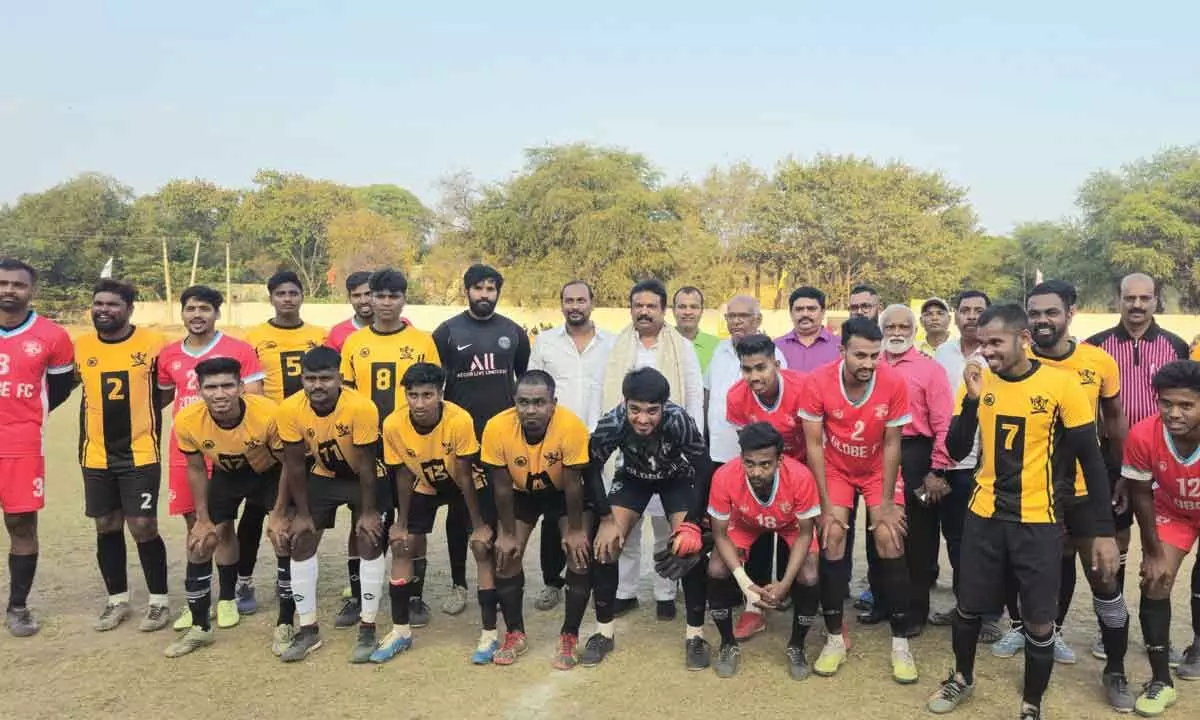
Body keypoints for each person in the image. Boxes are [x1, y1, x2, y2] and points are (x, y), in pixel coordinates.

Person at [927, 303, 1119, 720]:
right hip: (984, 516)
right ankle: (961, 677)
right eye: (981, 342)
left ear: (1024, 340)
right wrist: (972, 403)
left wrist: (1103, 530)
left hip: (1039, 521)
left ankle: (1032, 703)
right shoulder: (979, 380)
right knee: (968, 607)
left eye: (995, 342)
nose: (986, 350)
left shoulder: (1061, 386)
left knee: (1037, 621)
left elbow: (1091, 459)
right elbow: (957, 449)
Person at [799, 317, 916, 683]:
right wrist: (822, 505)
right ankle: (834, 638)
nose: (868, 363)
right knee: (832, 537)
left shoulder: (894, 382)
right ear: (842, 350)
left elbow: (894, 442)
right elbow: (814, 445)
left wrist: (884, 503)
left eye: (874, 356)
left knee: (888, 536)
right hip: (835, 468)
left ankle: (900, 643)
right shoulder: (818, 381)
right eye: (860, 355)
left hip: (878, 468)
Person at [1086, 272, 1193, 667]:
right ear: (1119, 299)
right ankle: (1111, 624)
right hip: (1113, 461)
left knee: (1155, 542)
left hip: (1162, 463)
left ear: (1155, 300)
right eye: (1129, 297)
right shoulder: (1096, 346)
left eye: (1144, 298)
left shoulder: (1176, 345)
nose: (1136, 305)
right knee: (1116, 542)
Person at [582, 367, 713, 669]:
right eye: (635, 410)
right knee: (606, 544)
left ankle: (695, 636)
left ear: (664, 406)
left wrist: (693, 523)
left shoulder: (679, 420)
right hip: (633, 478)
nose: (643, 419)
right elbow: (590, 467)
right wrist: (604, 518)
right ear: (625, 402)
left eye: (652, 411)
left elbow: (704, 467)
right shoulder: (613, 421)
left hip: (676, 478)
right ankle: (603, 632)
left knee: (687, 548)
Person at [156, 285, 265, 631]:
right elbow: (160, 400)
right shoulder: (168, 355)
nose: (197, 315)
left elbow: (255, 402)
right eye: (190, 308)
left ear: (217, 313)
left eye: (205, 308)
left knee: (223, 526)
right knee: (196, 528)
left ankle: (228, 597)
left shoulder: (240, 350)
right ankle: (197, 600)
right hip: (185, 451)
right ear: (182, 313)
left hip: (226, 453)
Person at [165, 358, 287, 658]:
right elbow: (195, 468)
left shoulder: (268, 413)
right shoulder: (187, 419)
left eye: (227, 386)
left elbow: (290, 464)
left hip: (270, 474)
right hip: (227, 474)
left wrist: (281, 511)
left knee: (283, 536)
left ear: (241, 387)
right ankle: (202, 625)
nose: (220, 394)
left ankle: (286, 624)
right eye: (211, 387)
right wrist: (202, 518)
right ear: (200, 390)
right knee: (201, 542)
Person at [338, 268, 439, 628]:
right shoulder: (354, 343)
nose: (384, 303)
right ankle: (356, 596)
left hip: (410, 443)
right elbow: (346, 398)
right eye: (378, 296)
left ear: (403, 300)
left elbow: (433, 396)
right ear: (369, 299)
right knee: (362, 517)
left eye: (393, 296)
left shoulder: (422, 342)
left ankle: (414, 595)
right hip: (370, 444)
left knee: (414, 521)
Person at [273, 346, 386, 664]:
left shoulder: (361, 407)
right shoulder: (289, 409)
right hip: (325, 475)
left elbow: (366, 464)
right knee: (301, 540)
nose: (317, 385)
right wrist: (303, 515)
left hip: (364, 478)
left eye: (325, 378)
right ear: (302, 379)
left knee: (369, 537)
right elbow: (295, 464)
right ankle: (308, 630)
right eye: (310, 379)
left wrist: (368, 511)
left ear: (340, 378)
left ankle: (368, 626)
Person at [376, 363, 494, 664]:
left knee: (482, 547)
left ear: (441, 394)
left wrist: (478, 526)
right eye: (412, 395)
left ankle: (490, 634)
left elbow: (465, 475)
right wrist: (401, 523)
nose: (419, 403)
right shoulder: (392, 424)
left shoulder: (459, 420)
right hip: (427, 482)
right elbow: (402, 473)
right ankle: (401, 631)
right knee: (402, 545)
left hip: (465, 483)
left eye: (427, 395)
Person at [602, 280, 704, 620]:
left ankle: (664, 593)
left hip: (671, 453)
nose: (644, 311)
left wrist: (689, 441)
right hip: (631, 451)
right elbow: (608, 396)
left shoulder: (681, 347)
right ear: (630, 308)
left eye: (651, 306)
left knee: (665, 526)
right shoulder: (616, 345)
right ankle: (625, 591)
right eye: (638, 305)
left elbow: (691, 394)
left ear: (663, 310)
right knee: (625, 532)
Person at [432, 264, 530, 617]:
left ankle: (500, 579)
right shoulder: (446, 333)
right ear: (467, 290)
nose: (484, 294)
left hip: (502, 438)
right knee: (461, 513)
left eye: (491, 288)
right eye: (478, 288)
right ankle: (459, 584)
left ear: (498, 293)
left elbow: (524, 381)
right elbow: (434, 385)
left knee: (501, 509)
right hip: (461, 438)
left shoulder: (514, 332)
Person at [75, 279, 172, 632]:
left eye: (113, 304)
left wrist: (141, 418)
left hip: (141, 452)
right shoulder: (81, 347)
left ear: (130, 309)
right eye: (98, 303)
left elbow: (165, 390)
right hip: (95, 454)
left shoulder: (154, 344)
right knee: (106, 525)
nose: (104, 310)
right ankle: (117, 600)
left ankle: (159, 602)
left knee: (143, 526)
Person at [488, 371, 593, 668]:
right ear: (514, 402)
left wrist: (574, 530)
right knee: (507, 554)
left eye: (538, 402)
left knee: (578, 553)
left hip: (562, 494)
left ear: (553, 403)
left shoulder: (571, 426)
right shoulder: (497, 427)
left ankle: (569, 634)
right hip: (521, 494)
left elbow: (574, 485)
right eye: (523, 402)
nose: (530, 410)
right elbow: (501, 487)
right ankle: (514, 633)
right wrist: (507, 534)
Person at [706, 423, 821, 680]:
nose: (756, 471)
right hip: (745, 522)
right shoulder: (724, 476)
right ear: (741, 458)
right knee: (716, 569)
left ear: (780, 460)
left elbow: (805, 534)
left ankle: (797, 645)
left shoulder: (801, 477)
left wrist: (785, 584)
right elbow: (720, 534)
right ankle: (727, 643)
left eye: (765, 464)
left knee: (810, 575)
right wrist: (744, 582)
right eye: (749, 463)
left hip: (791, 524)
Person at [527, 280, 613, 612]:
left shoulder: (612, 343)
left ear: (593, 302)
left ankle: (586, 580)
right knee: (554, 515)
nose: (574, 305)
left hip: (601, 441)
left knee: (594, 508)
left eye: (581, 299)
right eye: (568, 300)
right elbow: (533, 390)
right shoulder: (546, 343)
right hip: (555, 443)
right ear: (561, 304)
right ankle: (552, 581)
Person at [0, 259, 74, 637]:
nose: (9, 290)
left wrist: (28, 416)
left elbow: (60, 389)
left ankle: (18, 607)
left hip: (21, 445)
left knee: (21, 524)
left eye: (18, 284)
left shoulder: (52, 336)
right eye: (3, 283)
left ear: (32, 290)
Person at [1125, 360, 1200, 716]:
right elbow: (1140, 493)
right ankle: (1160, 681)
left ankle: (1198, 646)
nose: (1174, 413)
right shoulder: (1143, 434)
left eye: (1186, 405)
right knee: (1154, 580)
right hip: (1172, 510)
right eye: (1166, 403)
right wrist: (1153, 552)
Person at [877, 304, 953, 634]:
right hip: (876, 452)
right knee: (879, 527)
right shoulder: (870, 364)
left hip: (916, 453)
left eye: (903, 326)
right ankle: (882, 602)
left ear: (914, 330)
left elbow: (943, 423)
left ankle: (915, 610)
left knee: (918, 535)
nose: (896, 332)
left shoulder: (929, 370)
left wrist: (937, 469)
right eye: (890, 326)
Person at [720, 332, 798, 640]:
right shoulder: (736, 396)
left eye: (761, 368)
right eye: (747, 369)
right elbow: (748, 444)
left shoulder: (802, 388)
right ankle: (755, 608)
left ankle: (804, 603)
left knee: (802, 542)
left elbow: (816, 439)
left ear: (776, 364)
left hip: (799, 472)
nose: (754, 376)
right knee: (758, 532)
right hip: (762, 471)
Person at [931, 290, 998, 639]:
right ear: (956, 316)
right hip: (952, 460)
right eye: (965, 310)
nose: (971, 316)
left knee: (985, 542)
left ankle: (989, 615)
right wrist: (938, 465)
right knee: (956, 541)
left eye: (979, 311)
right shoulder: (943, 353)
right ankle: (964, 606)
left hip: (988, 465)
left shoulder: (997, 355)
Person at [243, 271, 327, 403]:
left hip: (313, 414)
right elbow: (251, 385)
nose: (287, 299)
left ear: (302, 298)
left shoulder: (320, 335)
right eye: (280, 294)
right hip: (273, 414)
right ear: (271, 299)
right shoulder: (254, 337)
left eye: (293, 294)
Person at [774, 286, 840, 373]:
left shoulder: (840, 346)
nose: (805, 314)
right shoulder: (775, 348)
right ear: (791, 313)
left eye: (811, 309)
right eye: (799, 309)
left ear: (823, 312)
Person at [673, 286, 720, 374]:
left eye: (694, 307)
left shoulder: (717, 347)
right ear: (673, 310)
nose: (688, 312)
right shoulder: (661, 341)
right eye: (682, 307)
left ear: (702, 311)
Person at [324, 271, 374, 352]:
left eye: (368, 294)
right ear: (349, 298)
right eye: (356, 295)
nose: (363, 301)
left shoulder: (399, 326)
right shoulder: (337, 333)